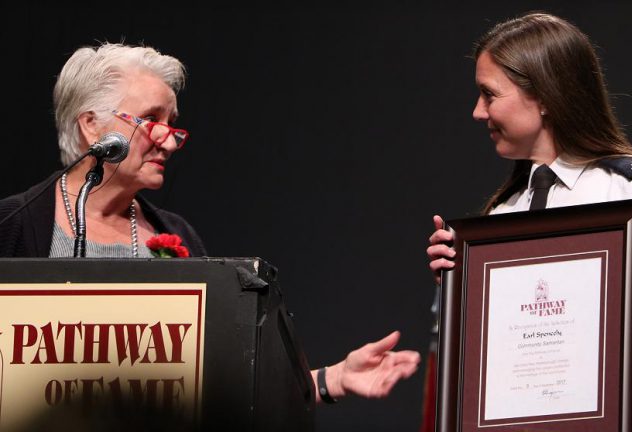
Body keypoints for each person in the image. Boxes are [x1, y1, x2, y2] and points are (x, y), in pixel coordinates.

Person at [0, 42, 419, 408]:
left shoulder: (175, 236)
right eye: (151, 119)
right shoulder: (15, 225)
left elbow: (228, 381)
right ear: (91, 124)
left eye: (172, 122)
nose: (168, 139)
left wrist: (332, 379)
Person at [426, 13, 632, 432]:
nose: (478, 112)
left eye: (489, 94)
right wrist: (460, 296)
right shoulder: (501, 217)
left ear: (546, 96)